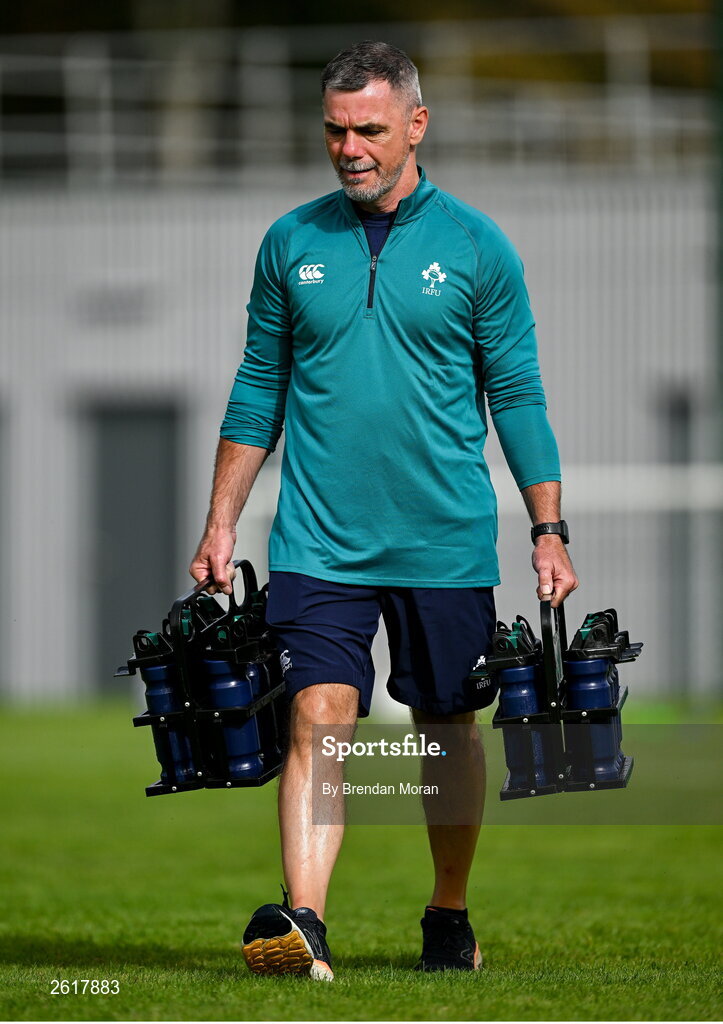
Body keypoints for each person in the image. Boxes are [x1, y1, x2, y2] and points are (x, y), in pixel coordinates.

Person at [190, 40, 578, 981]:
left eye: (368, 129)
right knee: (319, 715)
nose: (349, 147)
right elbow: (256, 389)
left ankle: (447, 915)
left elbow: (516, 394)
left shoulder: (479, 247)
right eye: (334, 129)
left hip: (443, 540)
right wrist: (220, 521)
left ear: (416, 124)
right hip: (318, 539)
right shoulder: (290, 242)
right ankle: (304, 922)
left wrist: (547, 528)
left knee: (445, 731)